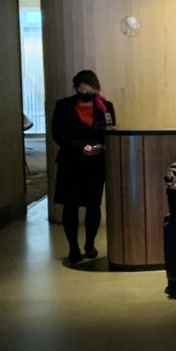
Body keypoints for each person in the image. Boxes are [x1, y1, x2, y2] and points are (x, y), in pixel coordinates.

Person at [51, 70, 116, 264]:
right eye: (83, 89)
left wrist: (101, 146)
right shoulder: (63, 106)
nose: (87, 93)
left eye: (91, 89)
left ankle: (89, 244)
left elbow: (111, 131)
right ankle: (73, 247)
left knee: (93, 205)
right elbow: (58, 134)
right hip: (71, 163)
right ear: (77, 87)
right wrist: (81, 146)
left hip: (96, 163)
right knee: (70, 206)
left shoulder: (106, 107)